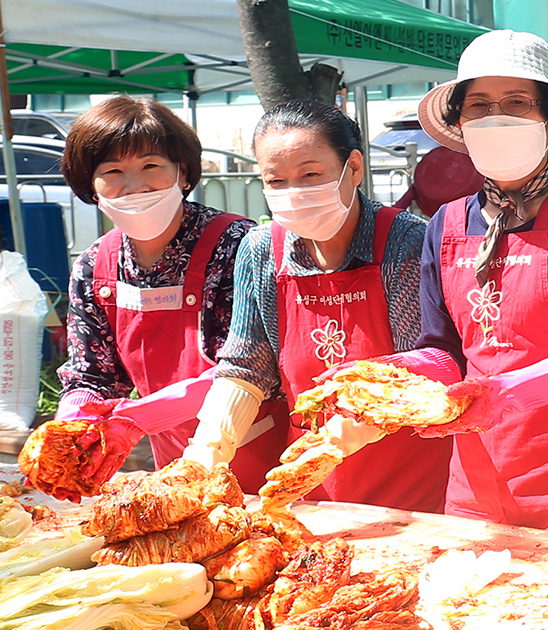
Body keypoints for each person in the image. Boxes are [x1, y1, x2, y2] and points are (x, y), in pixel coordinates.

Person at [358, 30, 548, 538]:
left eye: (517, 103)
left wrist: (505, 393)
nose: (496, 118)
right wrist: (387, 374)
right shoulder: (444, 223)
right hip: (474, 488)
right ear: (460, 124)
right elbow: (443, 350)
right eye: (479, 106)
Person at [184, 100, 451, 510]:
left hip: (412, 489)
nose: (294, 193)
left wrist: (337, 439)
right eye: (276, 181)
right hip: (310, 489)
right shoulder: (261, 250)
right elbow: (246, 368)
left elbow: (422, 374)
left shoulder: (407, 242)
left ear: (354, 168)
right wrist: (206, 450)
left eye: (310, 175)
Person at [47, 97, 283, 495]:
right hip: (172, 465)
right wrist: (71, 429)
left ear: (183, 173)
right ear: (91, 186)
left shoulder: (239, 245)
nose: (134, 185)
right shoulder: (94, 265)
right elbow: (93, 375)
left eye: (151, 166)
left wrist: (136, 419)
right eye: (113, 171)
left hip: (263, 458)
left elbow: (250, 369)